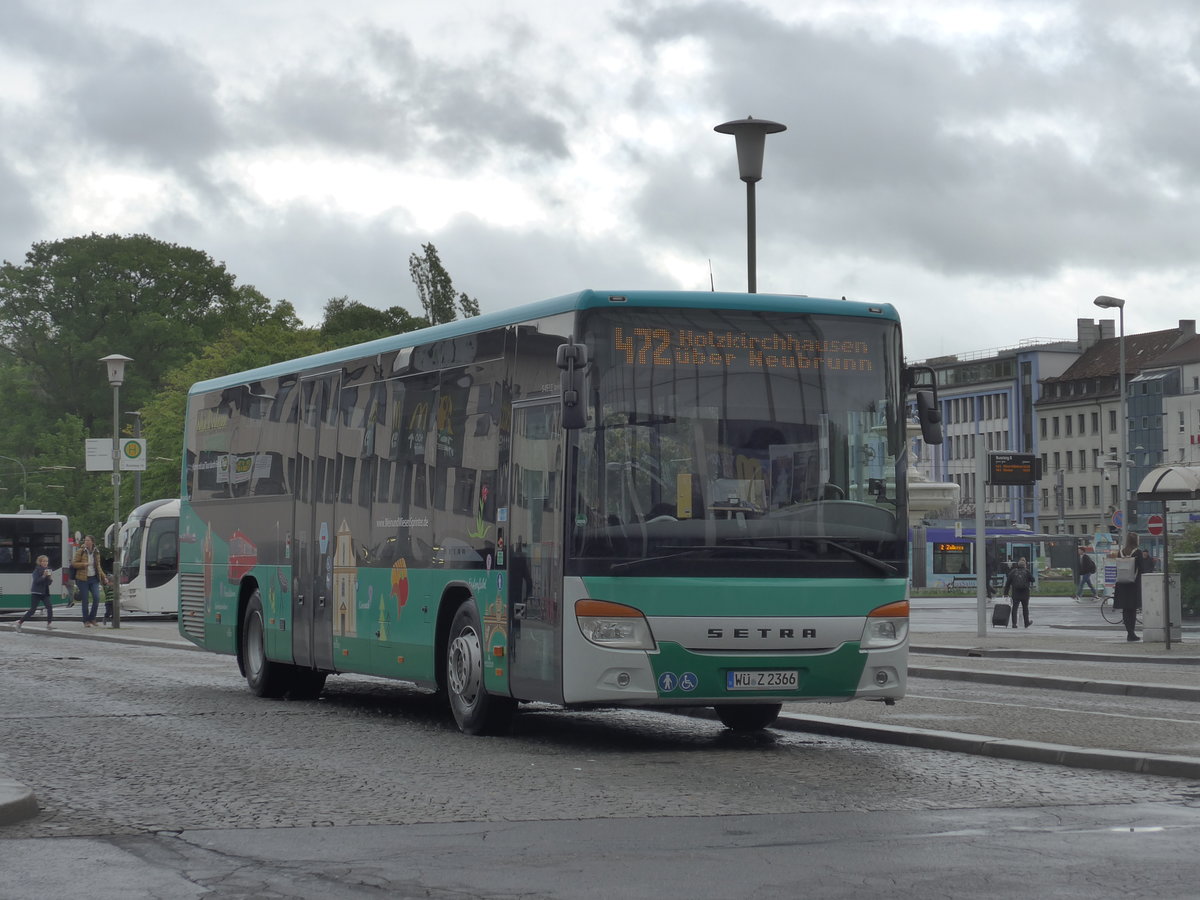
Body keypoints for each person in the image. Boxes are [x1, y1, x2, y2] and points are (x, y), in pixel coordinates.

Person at [1113, 532, 1149, 642]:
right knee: (1132, 609)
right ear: (1136, 541)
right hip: (1133, 584)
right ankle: (1131, 634)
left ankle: (1129, 632)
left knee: (1125, 609)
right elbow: (1142, 568)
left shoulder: (1120, 552)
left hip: (1121, 583)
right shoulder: (1137, 552)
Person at [71, 534, 109, 628]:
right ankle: (86, 620)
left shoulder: (96, 552)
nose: (86, 542)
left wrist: (104, 577)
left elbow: (98, 566)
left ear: (92, 542)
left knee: (96, 597)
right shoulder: (81, 551)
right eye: (85, 540)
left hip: (94, 578)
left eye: (88, 540)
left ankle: (92, 618)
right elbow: (74, 564)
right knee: (85, 600)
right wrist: (84, 564)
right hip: (82, 578)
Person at [14, 555, 54, 632]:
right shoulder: (36, 570)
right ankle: (19, 623)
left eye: (46, 561)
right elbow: (36, 581)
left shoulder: (48, 570)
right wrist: (43, 576)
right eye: (44, 561)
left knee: (49, 607)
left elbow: (48, 583)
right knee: (32, 610)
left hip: (45, 592)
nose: (45, 563)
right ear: (40, 562)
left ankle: (49, 624)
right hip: (36, 592)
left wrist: (50, 578)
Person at [1003, 557, 1035, 628]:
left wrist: (1005, 593)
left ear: (1017, 565)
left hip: (1015, 593)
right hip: (1025, 593)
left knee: (1014, 608)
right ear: (1025, 565)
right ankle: (1026, 623)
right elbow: (1033, 580)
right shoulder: (1027, 571)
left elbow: (1007, 583)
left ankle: (1014, 624)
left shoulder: (1013, 572)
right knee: (1025, 608)